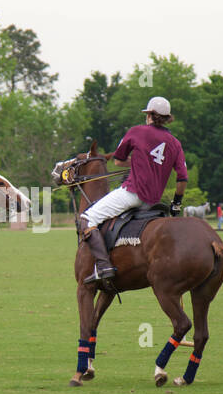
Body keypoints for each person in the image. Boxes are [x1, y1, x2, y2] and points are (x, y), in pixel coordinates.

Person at [80, 96, 188, 283]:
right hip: (154, 201)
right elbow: (183, 178)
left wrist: (137, 162)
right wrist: (176, 204)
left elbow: (118, 160)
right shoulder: (175, 143)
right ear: (166, 118)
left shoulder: (136, 132)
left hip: (132, 193)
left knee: (88, 218)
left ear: (150, 116)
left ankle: (104, 266)